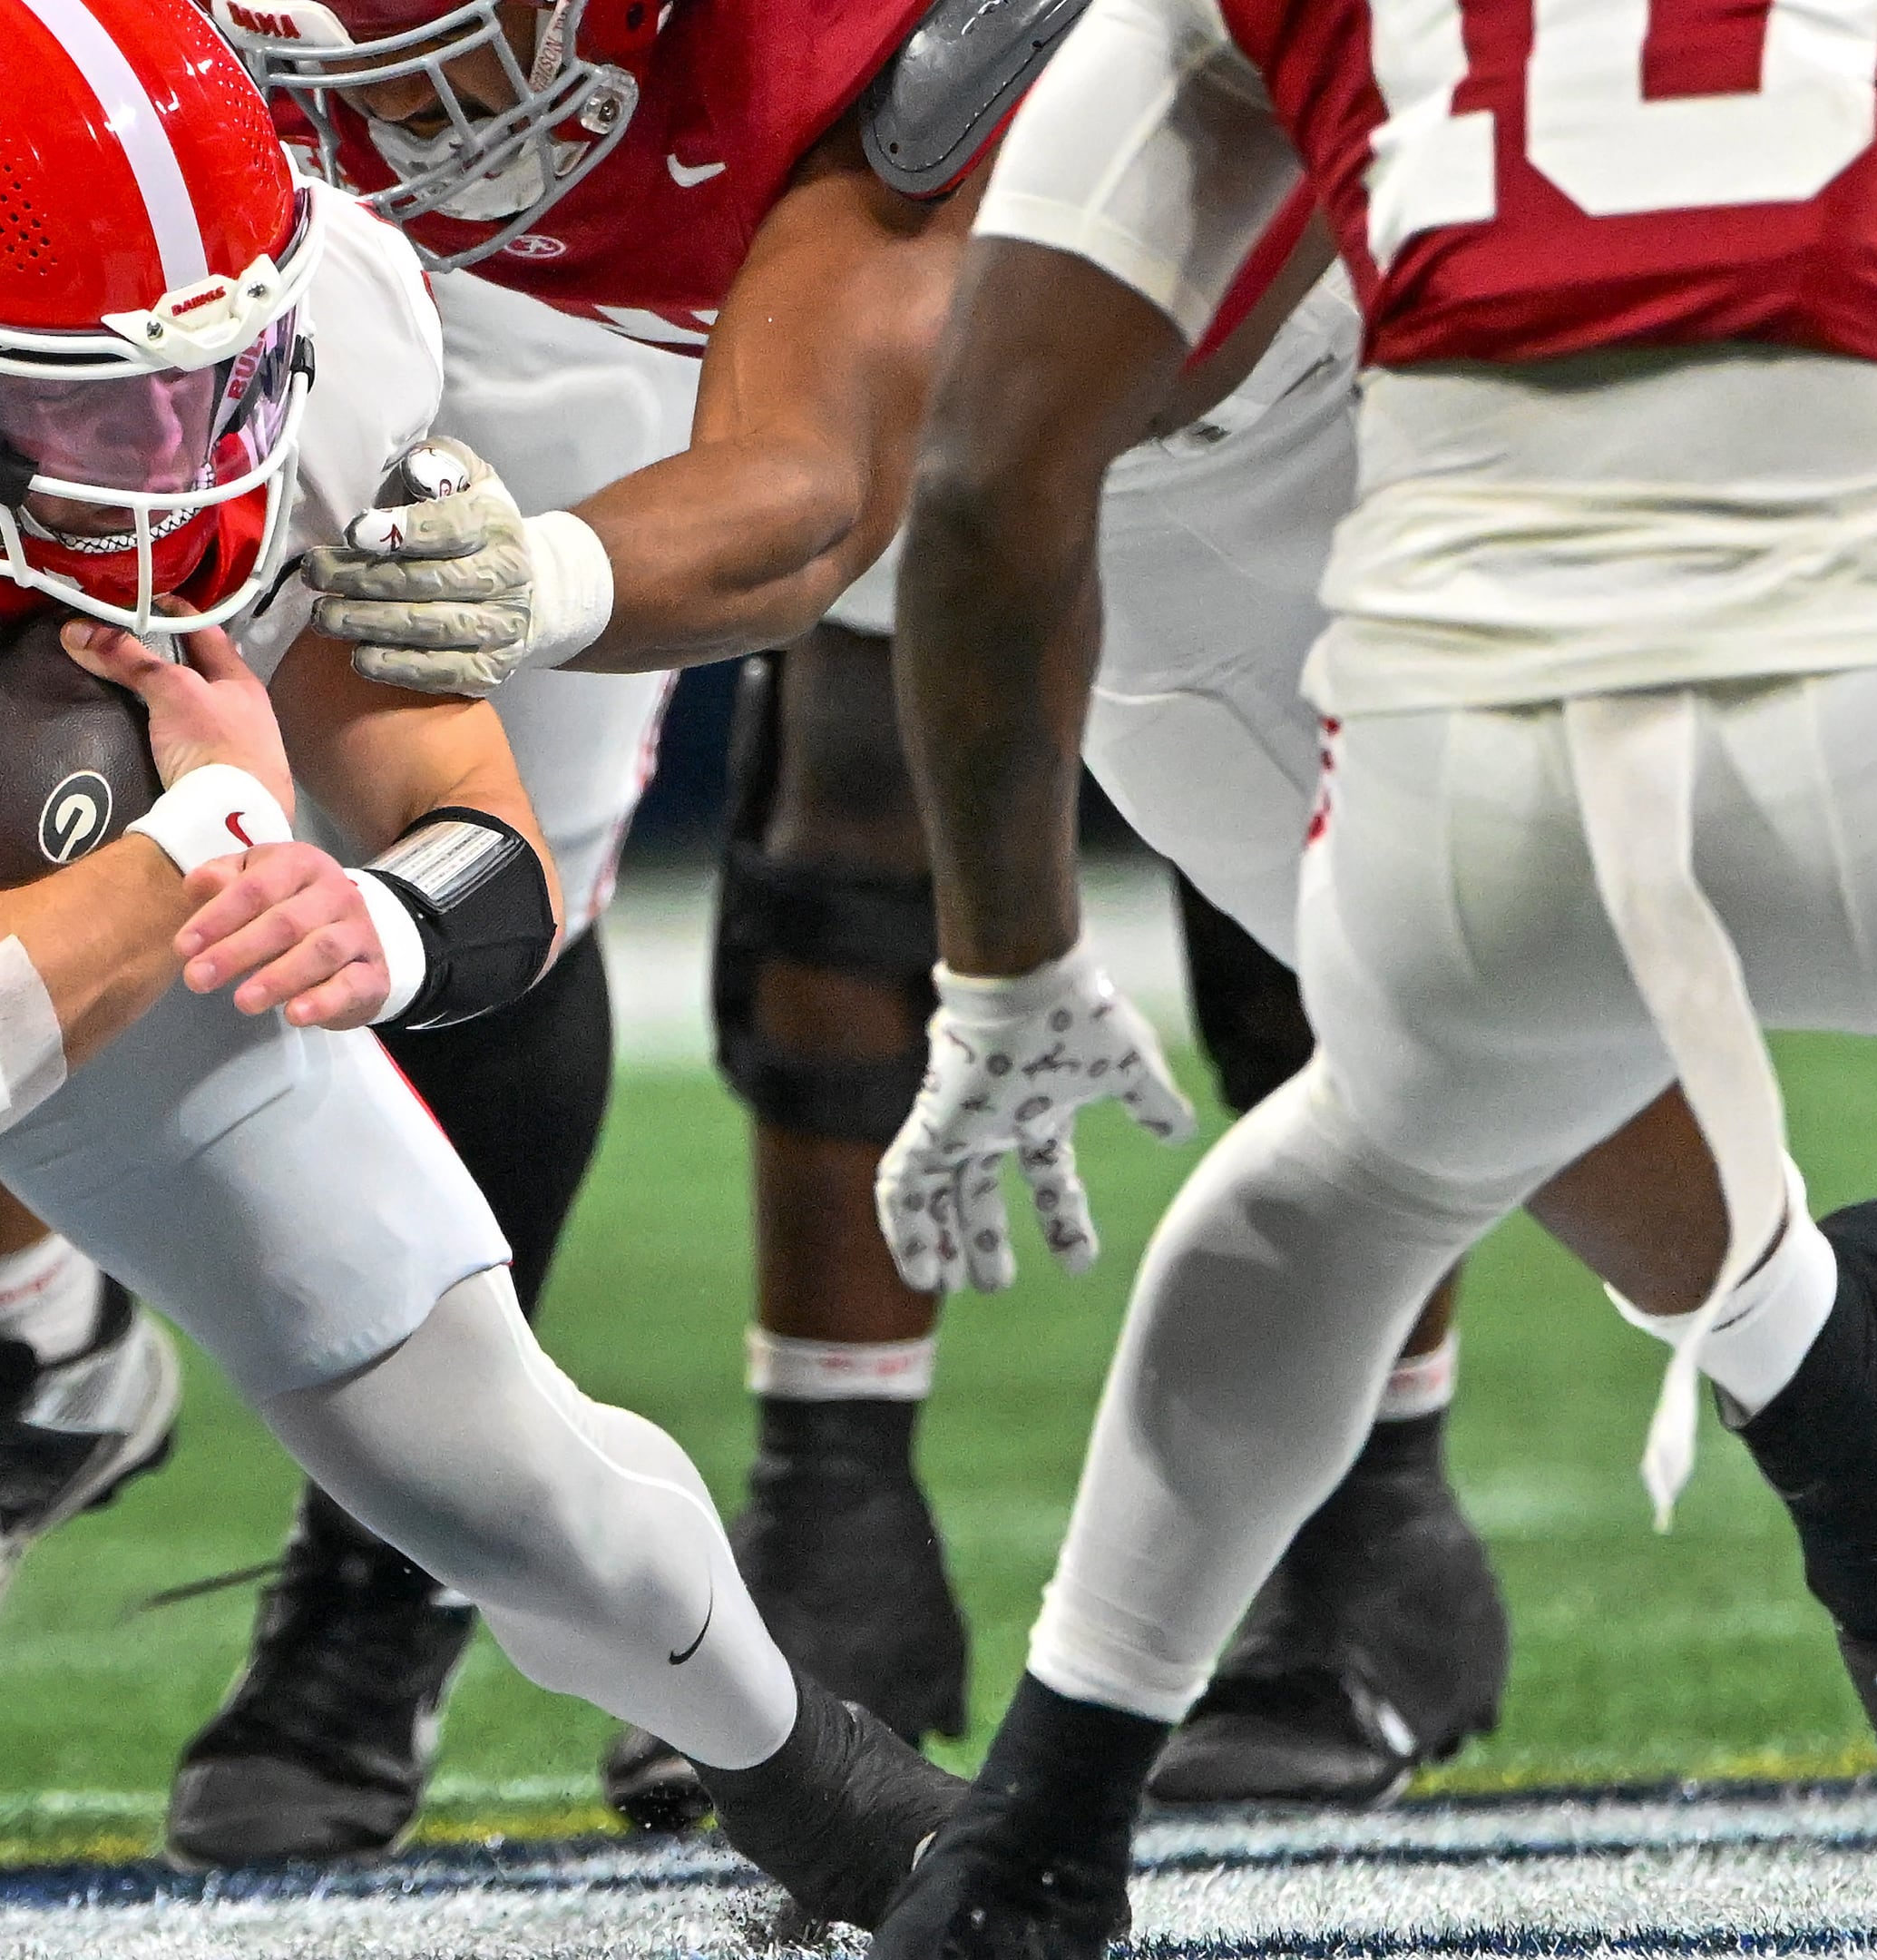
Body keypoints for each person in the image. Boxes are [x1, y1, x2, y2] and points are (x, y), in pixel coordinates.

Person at [0, 0, 968, 1931]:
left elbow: (476, 844)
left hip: (92, 889)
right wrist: (210, 830)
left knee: (473, 1431)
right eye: (73, 404)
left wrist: (375, 922)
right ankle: (23, 1324)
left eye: (209, 381)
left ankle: (823, 1784)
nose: (164, 460)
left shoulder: (305, 326)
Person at [865, 0, 1877, 1940]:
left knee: (1356, 1171)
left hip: (1473, 786)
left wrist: (1008, 973)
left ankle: (1034, 1844)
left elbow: (986, 487)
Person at [200, 0, 1508, 1826]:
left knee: (1340, 881)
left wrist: (548, 571)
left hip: (1270, 242)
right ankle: (837, 1508)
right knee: (845, 839)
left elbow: (812, 490)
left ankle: (1396, 1513)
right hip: (869, 280)